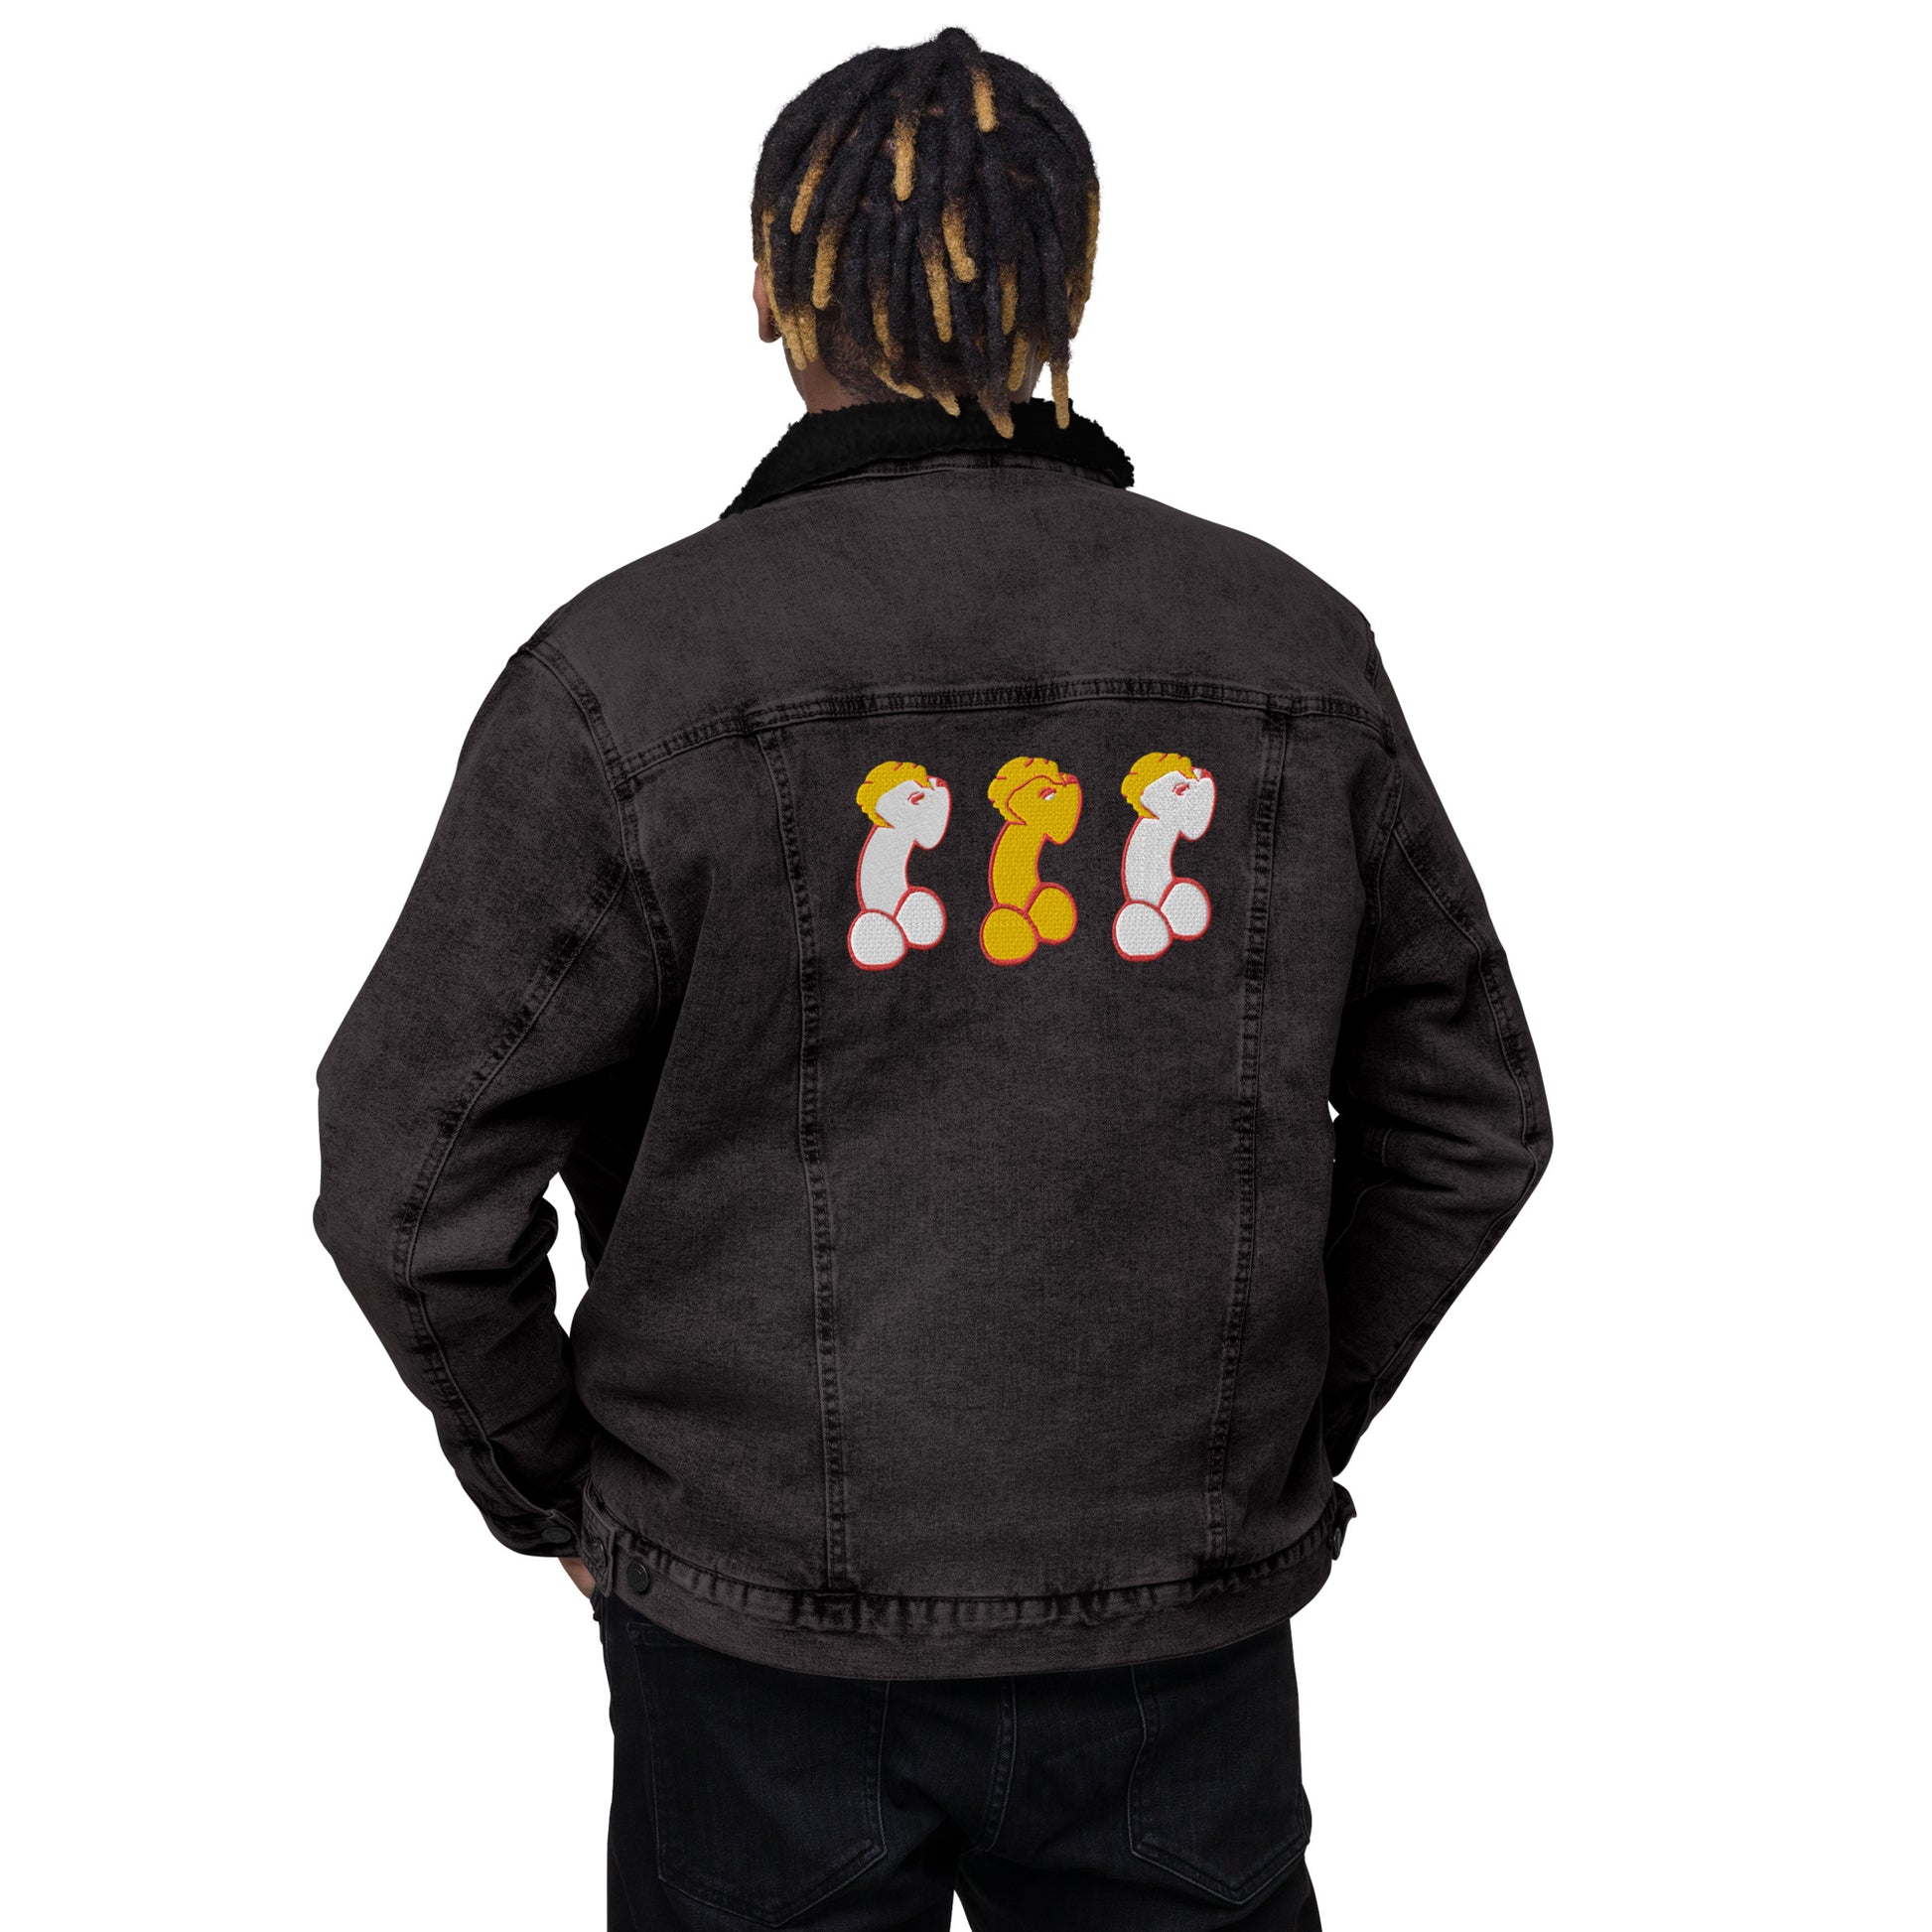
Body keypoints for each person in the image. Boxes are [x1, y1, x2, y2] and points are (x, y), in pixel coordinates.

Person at [315, 27, 1551, 1931]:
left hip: (750, 1636)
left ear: (767, 287)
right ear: (1070, 290)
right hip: (1173, 1631)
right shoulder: (1289, 649)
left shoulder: (629, 673)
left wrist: (558, 1490)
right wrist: (1256, 1436)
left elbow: (407, 1183)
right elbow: (1468, 1124)